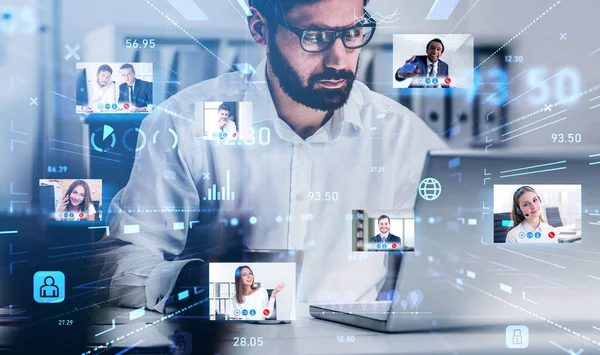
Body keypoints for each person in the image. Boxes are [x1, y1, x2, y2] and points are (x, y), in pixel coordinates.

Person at [100, 0, 447, 313]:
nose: (339, 59)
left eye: (353, 33)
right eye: (314, 35)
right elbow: (120, 261)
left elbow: (455, 251)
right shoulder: (185, 123)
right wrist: (195, 285)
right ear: (260, 29)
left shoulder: (402, 137)